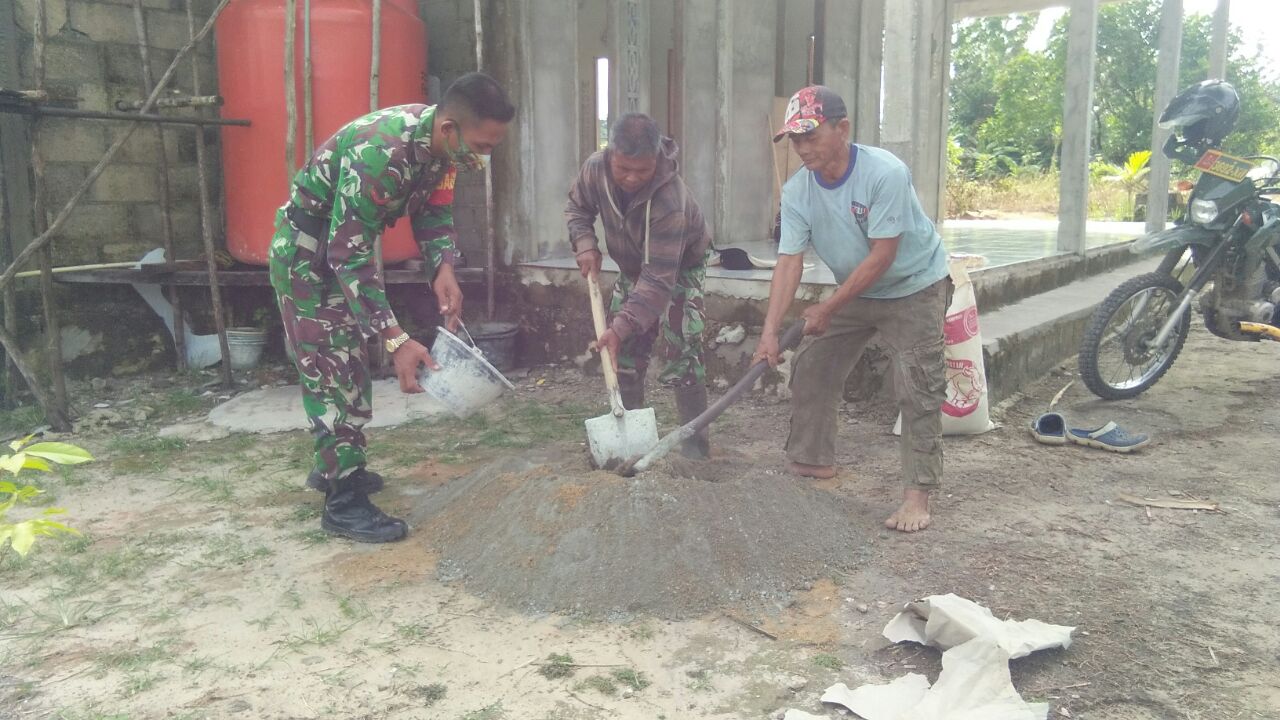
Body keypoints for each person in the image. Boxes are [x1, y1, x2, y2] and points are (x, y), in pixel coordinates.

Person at [269, 72, 515, 543]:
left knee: (347, 367)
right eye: (483, 144)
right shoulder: (381, 152)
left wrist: (442, 266)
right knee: (336, 370)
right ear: (450, 129)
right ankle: (342, 502)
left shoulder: (443, 154)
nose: (485, 155)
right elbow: (346, 251)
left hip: (337, 252)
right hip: (307, 260)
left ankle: (336, 468)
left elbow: (435, 211)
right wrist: (396, 338)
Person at [754, 86, 951, 533]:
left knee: (917, 383)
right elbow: (789, 262)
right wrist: (770, 331)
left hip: (914, 285)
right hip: (858, 289)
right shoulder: (798, 190)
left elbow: (883, 255)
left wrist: (826, 309)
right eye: (795, 140)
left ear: (842, 129)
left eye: (811, 136)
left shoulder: (884, 173)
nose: (802, 148)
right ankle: (811, 460)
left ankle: (916, 497)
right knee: (814, 365)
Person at [566, 113, 714, 459]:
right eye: (623, 169)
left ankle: (695, 447)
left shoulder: (670, 202)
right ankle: (628, 437)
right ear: (610, 155)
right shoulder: (595, 169)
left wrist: (618, 327)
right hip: (634, 265)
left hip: (680, 268)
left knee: (683, 344)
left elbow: (659, 281)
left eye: (642, 171)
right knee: (626, 347)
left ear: (657, 160)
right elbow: (576, 207)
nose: (632, 178)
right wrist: (585, 242)